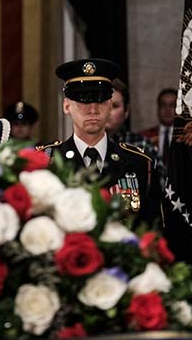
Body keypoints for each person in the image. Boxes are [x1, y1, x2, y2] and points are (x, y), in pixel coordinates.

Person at [41, 59, 158, 226]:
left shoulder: (139, 163)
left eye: (101, 100)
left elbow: (153, 230)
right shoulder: (46, 161)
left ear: (110, 105)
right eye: (84, 100)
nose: (93, 109)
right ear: (66, 105)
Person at [105, 79, 158, 161]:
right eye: (103, 105)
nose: (107, 111)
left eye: (115, 106)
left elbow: (160, 172)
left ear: (126, 111)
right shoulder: (86, 143)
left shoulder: (141, 144)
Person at [138, 87, 176, 171]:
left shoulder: (186, 137)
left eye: (172, 105)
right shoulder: (144, 136)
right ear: (158, 108)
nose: (167, 110)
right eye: (163, 105)